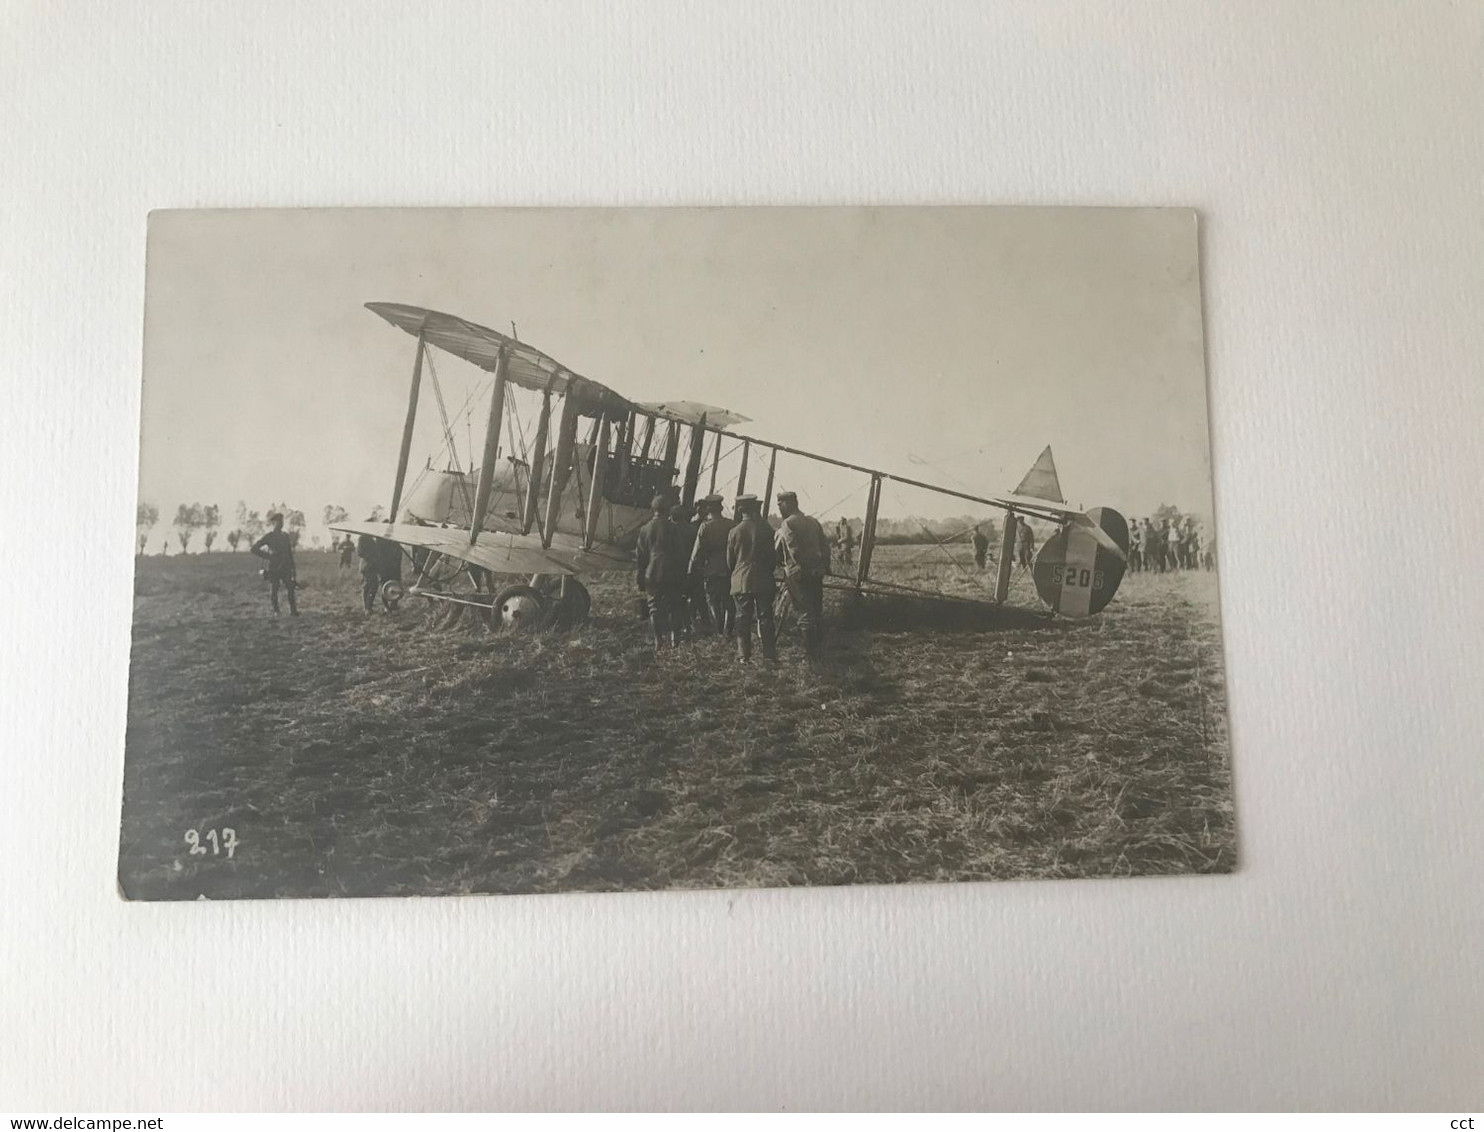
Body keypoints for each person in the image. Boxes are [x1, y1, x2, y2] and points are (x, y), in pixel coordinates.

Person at [774, 489, 830, 661]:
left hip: (799, 574)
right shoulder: (813, 521)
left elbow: (794, 550)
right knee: (816, 609)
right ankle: (819, 648)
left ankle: (811, 654)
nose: (779, 509)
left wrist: (800, 568)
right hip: (816, 572)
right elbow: (825, 546)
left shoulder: (788, 524)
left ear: (788, 504)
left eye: (780, 505)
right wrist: (823, 567)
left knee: (804, 611)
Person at [726, 494, 778, 663]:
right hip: (764, 579)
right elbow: (773, 557)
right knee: (765, 617)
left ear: (741, 511)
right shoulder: (767, 529)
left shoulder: (734, 531)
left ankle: (743, 656)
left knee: (742, 617)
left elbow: (730, 561)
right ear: (755, 509)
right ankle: (769, 655)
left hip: (742, 579)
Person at [635, 494, 687, 651]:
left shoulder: (644, 529)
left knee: (654, 608)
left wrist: (640, 577)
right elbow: (680, 553)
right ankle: (674, 639)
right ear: (667, 510)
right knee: (674, 606)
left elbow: (640, 557)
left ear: (653, 509)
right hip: (672, 573)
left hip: (652, 573)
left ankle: (658, 641)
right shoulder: (674, 528)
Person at [689, 493, 735, 637]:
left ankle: (719, 629)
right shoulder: (731, 525)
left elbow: (697, 550)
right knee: (728, 601)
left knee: (713, 600)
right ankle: (727, 631)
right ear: (721, 508)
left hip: (711, 569)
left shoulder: (705, 527)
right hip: (729, 568)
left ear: (709, 509)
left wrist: (692, 568)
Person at [251, 512, 299, 615]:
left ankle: (293, 611)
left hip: (286, 566)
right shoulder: (270, 536)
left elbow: (289, 553)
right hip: (274, 567)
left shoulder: (285, 536)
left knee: (290, 588)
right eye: (278, 522)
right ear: (274, 523)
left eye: (282, 521)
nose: (281, 524)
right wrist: (268, 556)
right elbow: (254, 548)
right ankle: (277, 611)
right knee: (274, 589)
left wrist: (293, 568)